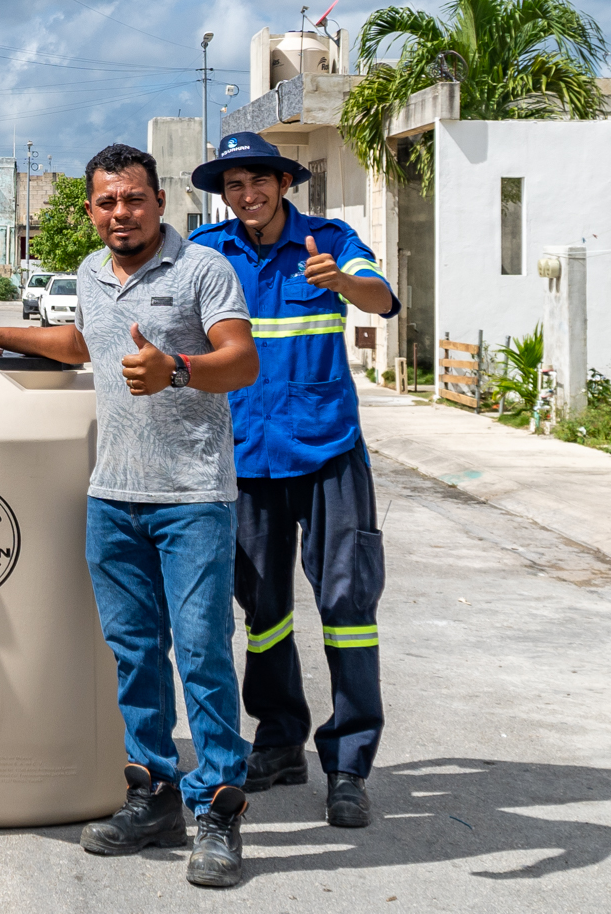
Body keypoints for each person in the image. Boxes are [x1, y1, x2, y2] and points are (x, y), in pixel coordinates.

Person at [0, 144, 260, 889]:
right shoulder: (86, 272)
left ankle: (219, 812)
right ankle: (154, 796)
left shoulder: (204, 269)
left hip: (192, 497)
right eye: (107, 202)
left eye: (134, 199)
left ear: (159, 201)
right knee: (136, 655)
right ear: (90, 209)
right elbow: (83, 343)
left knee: (202, 655)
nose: (121, 213)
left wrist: (178, 366)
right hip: (112, 495)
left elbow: (241, 360)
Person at [188, 130, 400, 829]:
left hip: (328, 451)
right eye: (233, 185)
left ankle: (347, 764)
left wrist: (343, 283)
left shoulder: (330, 239)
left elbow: (381, 298)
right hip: (245, 459)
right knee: (265, 611)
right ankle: (279, 742)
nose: (246, 195)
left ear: (283, 183)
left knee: (346, 606)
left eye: (258, 181)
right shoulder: (210, 254)